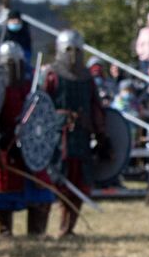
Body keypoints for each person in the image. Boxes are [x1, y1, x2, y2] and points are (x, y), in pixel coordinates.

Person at [0, 41, 55, 237]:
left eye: (15, 62)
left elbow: (42, 115)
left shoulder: (30, 87)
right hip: (6, 148)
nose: (12, 67)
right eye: (8, 63)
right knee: (4, 192)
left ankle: (36, 232)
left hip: (30, 148)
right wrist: (1, 137)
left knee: (41, 190)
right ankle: (5, 231)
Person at [44, 30, 106, 238]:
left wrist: (101, 132)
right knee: (60, 182)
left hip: (81, 136)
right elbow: (41, 106)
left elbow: (96, 106)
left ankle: (70, 227)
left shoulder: (87, 78)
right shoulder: (51, 74)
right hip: (58, 137)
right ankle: (61, 224)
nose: (73, 54)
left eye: (77, 50)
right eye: (68, 49)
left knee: (80, 182)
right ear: (60, 49)